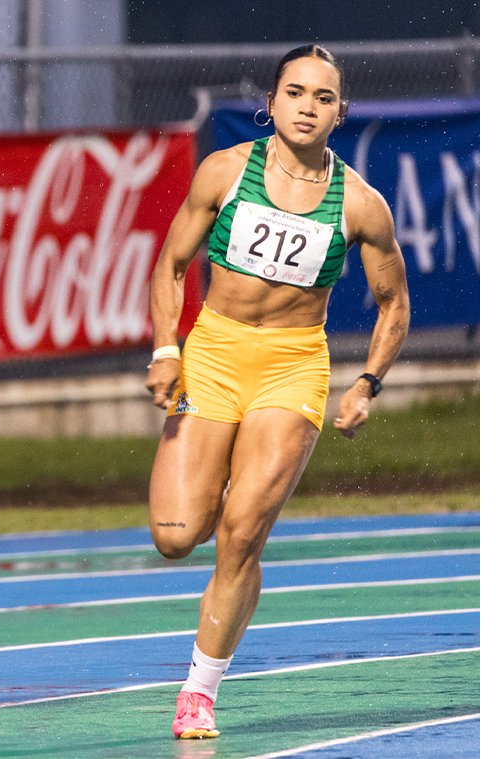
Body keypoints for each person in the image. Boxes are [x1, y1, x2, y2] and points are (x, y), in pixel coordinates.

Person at [146, 45, 410, 739]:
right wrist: (166, 347)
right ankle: (216, 511)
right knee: (177, 535)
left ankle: (199, 690)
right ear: (273, 101)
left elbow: (393, 304)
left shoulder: (359, 203)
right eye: (296, 92)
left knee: (242, 534)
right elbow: (172, 266)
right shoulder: (226, 171)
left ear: (340, 113)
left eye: (323, 97)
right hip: (214, 351)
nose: (308, 106)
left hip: (293, 365)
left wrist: (367, 382)